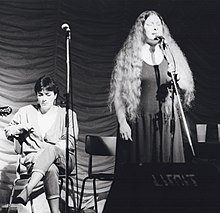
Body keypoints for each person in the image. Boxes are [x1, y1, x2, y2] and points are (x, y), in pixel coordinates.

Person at [109, 10, 195, 165]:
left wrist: (177, 78)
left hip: (166, 121)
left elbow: (185, 86)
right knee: (141, 176)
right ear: (142, 28)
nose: (155, 28)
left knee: (166, 173)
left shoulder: (170, 54)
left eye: (158, 24)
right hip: (139, 123)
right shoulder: (129, 55)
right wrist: (122, 122)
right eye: (150, 24)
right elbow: (118, 94)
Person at [4, 75, 79, 213]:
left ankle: (28, 188)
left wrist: (46, 152)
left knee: (52, 150)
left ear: (55, 95)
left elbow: (70, 142)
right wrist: (21, 127)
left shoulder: (67, 114)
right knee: (50, 169)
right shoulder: (25, 112)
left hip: (63, 159)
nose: (44, 98)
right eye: (40, 95)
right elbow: (8, 131)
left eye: (48, 95)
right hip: (34, 161)